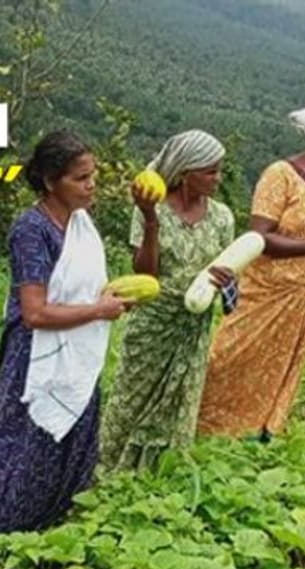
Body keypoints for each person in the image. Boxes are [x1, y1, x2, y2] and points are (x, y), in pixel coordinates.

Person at [0, 130, 130, 539]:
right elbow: (34, 312)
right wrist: (99, 310)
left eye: (93, 175)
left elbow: (81, 288)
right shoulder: (31, 230)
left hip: (77, 351)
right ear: (52, 181)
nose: (91, 185)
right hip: (37, 354)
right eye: (80, 178)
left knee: (68, 443)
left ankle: (45, 528)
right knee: (20, 444)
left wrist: (109, 300)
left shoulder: (80, 225)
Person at [197, 89, 305, 440]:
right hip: (265, 293)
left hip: (304, 299)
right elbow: (258, 238)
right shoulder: (281, 175)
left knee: (277, 369)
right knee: (225, 359)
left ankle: (257, 433)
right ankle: (202, 426)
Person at [100, 130, 236, 471]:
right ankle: (108, 471)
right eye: (210, 172)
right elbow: (146, 272)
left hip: (195, 323)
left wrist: (226, 283)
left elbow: (232, 277)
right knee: (130, 400)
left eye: (219, 170)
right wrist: (150, 220)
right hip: (154, 323)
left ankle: (159, 475)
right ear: (185, 174)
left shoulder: (222, 217)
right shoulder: (152, 209)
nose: (218, 179)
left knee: (179, 403)